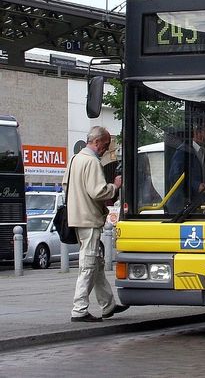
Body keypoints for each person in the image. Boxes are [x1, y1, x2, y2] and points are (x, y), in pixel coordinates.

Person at [64, 126, 128, 323]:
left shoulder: (75, 159)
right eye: (106, 144)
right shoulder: (91, 162)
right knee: (88, 265)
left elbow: (66, 186)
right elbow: (98, 192)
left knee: (96, 264)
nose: (106, 149)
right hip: (89, 218)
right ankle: (79, 309)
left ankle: (107, 304)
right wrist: (115, 186)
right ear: (97, 142)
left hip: (76, 217)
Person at [167, 112, 205, 213]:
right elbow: (175, 177)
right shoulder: (183, 151)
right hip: (181, 209)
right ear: (197, 132)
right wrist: (196, 185)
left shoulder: (204, 153)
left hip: (195, 205)